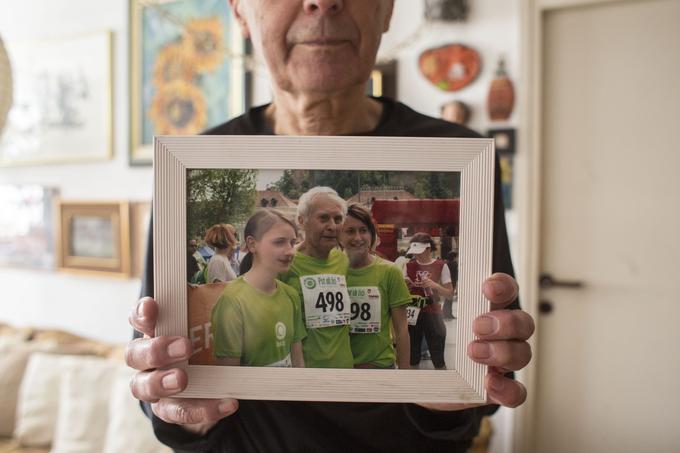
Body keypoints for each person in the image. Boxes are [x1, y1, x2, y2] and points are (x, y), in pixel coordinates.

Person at [126, 1, 534, 451]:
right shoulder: (190, 164)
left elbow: (489, 377)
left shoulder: (461, 157)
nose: (322, 2)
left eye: (341, 221)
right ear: (240, 12)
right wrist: (181, 408)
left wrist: (464, 387)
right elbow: (161, 380)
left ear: (387, 10)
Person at [212, 210, 306, 367]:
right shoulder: (232, 300)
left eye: (292, 242)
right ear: (252, 244)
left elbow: (298, 358)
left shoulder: (291, 295)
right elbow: (229, 374)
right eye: (279, 242)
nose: (290, 251)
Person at [278, 186, 353, 368]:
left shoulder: (343, 260)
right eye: (323, 218)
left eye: (338, 219)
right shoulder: (284, 264)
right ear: (302, 221)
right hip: (305, 372)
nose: (332, 226)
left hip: (345, 369)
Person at [340, 203, 411, 369]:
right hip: (340, 369)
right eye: (350, 231)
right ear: (339, 236)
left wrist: (406, 374)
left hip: (379, 367)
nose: (358, 237)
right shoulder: (330, 271)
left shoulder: (389, 271)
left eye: (363, 230)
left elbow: (401, 329)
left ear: (372, 235)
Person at [404, 233, 453, 370]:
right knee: (412, 356)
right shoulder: (409, 266)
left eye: (419, 252)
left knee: (438, 355)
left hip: (433, 314)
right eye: (414, 253)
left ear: (428, 249)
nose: (417, 256)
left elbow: (449, 294)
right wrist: (405, 285)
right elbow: (402, 293)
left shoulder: (441, 265)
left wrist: (435, 285)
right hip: (413, 314)